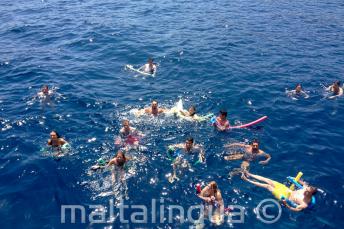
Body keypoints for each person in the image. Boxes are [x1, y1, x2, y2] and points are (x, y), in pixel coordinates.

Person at [242, 171, 317, 212]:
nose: (306, 190)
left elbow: (294, 209)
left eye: (307, 191)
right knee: (268, 180)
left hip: (284, 196)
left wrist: (285, 204)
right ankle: (249, 174)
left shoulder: (304, 204)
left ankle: (247, 180)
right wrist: (294, 179)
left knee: (268, 186)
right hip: (286, 189)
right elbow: (303, 184)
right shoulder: (305, 189)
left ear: (310, 194)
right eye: (307, 189)